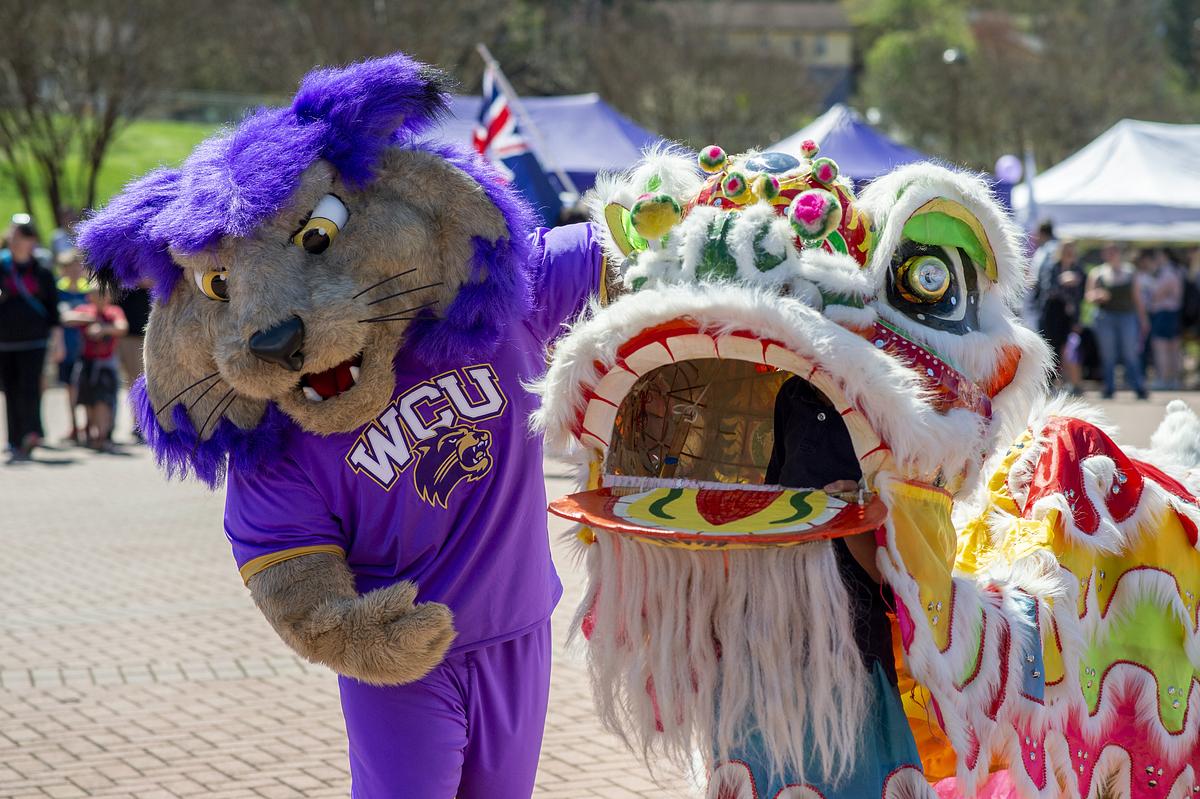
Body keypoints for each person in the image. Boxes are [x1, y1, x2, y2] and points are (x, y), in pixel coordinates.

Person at [0, 214, 61, 461]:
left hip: (35, 340)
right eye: (15, 233)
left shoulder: (42, 271)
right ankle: (14, 439)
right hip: (5, 340)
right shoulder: (2, 267)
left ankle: (31, 434)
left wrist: (57, 343)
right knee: (10, 389)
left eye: (23, 234)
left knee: (30, 387)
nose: (17, 239)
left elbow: (53, 310)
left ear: (32, 240)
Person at [61, 282, 127, 450]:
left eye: (103, 295)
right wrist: (89, 320)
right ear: (89, 296)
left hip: (105, 364)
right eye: (97, 294)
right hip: (86, 363)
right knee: (87, 401)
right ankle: (91, 434)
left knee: (103, 401)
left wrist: (103, 329)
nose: (100, 298)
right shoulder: (85, 310)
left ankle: (102, 436)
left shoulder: (113, 312)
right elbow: (66, 318)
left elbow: (122, 327)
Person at [1086, 243, 1149, 399]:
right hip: (1105, 316)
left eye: (1114, 251)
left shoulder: (1130, 272)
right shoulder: (1097, 273)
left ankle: (1138, 386)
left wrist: (1144, 319)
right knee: (1108, 353)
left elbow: (1137, 298)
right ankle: (1109, 387)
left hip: (1127, 316)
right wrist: (1098, 295)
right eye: (1108, 252)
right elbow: (1088, 296)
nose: (1112, 254)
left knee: (1130, 352)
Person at [1038, 239, 1085, 394]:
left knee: (1068, 350)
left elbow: (1080, 298)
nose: (1069, 253)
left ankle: (1070, 383)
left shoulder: (1078, 270)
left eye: (1071, 249)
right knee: (1051, 348)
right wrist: (1063, 281)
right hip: (1051, 314)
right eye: (1066, 249)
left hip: (1068, 316)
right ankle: (1049, 384)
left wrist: (1077, 320)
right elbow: (1047, 289)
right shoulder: (1052, 267)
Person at [56, 248, 91, 442]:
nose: (74, 271)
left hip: (88, 349)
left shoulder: (90, 290)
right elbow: (60, 317)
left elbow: (95, 313)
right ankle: (73, 425)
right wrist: (82, 317)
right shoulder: (58, 291)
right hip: (67, 348)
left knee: (86, 387)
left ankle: (88, 425)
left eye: (77, 267)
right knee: (69, 388)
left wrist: (73, 317)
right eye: (69, 268)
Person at [115, 279, 152, 442]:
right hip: (123, 335)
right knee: (131, 382)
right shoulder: (119, 267)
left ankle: (143, 424)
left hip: (145, 334)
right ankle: (137, 424)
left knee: (143, 382)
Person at [1145, 248, 1185, 390]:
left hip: (1164, 313)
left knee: (1162, 347)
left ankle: (1164, 379)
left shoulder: (1168, 273)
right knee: (1172, 348)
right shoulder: (1177, 271)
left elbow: (1156, 294)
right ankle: (1172, 379)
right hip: (1172, 313)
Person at [1023, 220, 1058, 329]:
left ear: (1042, 233)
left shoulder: (1052, 248)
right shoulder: (1044, 249)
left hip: (1044, 299)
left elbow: (1048, 273)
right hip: (1037, 297)